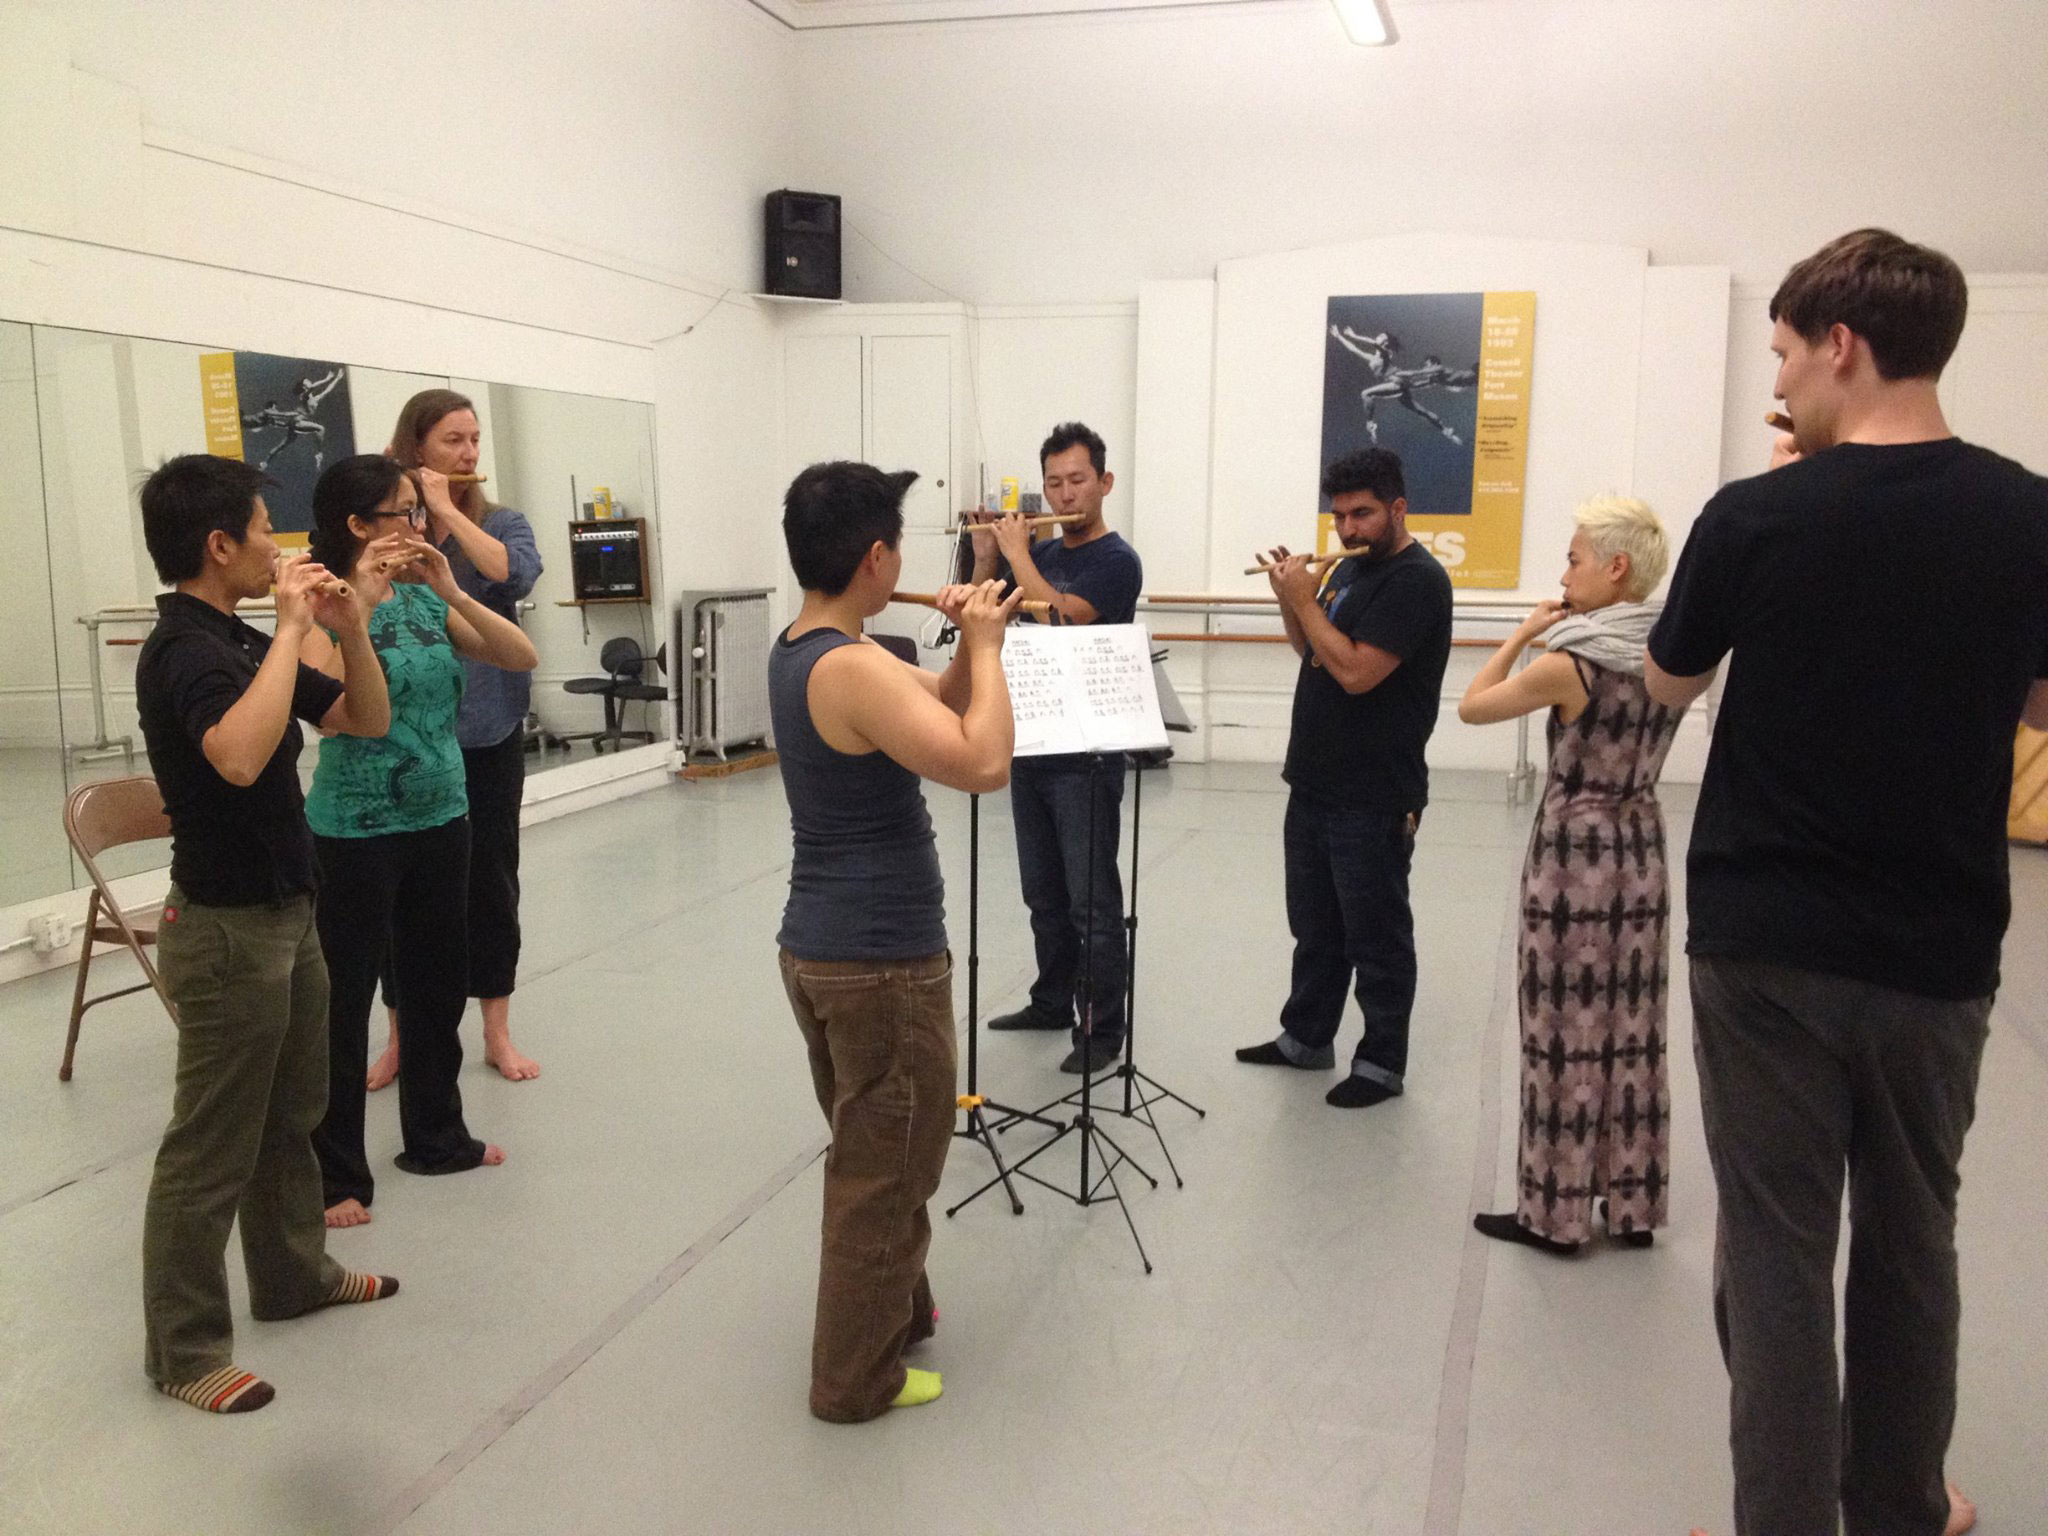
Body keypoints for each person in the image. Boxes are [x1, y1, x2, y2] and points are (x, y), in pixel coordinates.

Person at [1648, 229, 2048, 1536]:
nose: (1778, 381)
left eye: (1781, 355)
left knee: (1773, 1250)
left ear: (1840, 345)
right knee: (1911, 1239)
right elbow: (2040, 704)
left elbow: (1664, 679)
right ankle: (1898, 1507)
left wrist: (1787, 536)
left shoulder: (1755, 515)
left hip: (1763, 945)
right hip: (1937, 950)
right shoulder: (2028, 515)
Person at [134, 454, 399, 1414]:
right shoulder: (185, 650)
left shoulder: (240, 641)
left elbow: (364, 717)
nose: (275, 548)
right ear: (218, 545)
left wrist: (350, 627)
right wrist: (292, 629)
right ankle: (185, 1350)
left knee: (296, 1111)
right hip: (224, 931)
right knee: (211, 1146)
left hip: (290, 910)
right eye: (260, 531)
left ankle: (293, 1276)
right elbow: (240, 760)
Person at [771, 460, 1018, 1422]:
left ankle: (897, 1317)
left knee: (883, 1144)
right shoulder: (852, 668)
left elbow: (940, 702)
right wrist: (989, 648)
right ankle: (854, 1381)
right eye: (901, 547)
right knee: (885, 1171)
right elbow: (982, 761)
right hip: (878, 963)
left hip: (827, 950)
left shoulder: (812, 648)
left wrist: (971, 641)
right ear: (876, 558)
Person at [302, 455, 538, 1228]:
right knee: (344, 1003)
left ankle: (438, 1138)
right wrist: (359, 607)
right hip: (356, 827)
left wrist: (451, 588)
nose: (417, 524)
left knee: (436, 986)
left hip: (443, 815)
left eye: (417, 511)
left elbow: (519, 656)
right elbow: (316, 694)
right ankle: (336, 1174)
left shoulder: (424, 596)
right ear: (356, 525)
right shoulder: (318, 599)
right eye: (403, 512)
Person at [1457, 497, 1678, 1253]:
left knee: (1562, 1034)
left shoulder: (1570, 662)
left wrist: (1524, 633)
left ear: (1616, 568)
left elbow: (1473, 707)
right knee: (1634, 1031)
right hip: (1642, 854)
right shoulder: (1669, 655)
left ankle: (1553, 1213)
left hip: (1573, 863)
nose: (1563, 574)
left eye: (1574, 559)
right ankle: (1632, 1206)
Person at [1235, 447, 1453, 1107]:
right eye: (1339, 517)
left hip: (1375, 792)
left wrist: (1305, 599)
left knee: (1376, 936)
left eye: (1362, 514)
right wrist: (1290, 600)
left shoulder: (1416, 581)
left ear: (1398, 508)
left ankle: (1381, 1064)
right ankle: (1306, 1039)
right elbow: (1313, 648)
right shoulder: (1349, 571)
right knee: (1315, 928)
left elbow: (1357, 672)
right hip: (1315, 780)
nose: (1348, 529)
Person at [366, 388, 544, 1090]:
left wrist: (447, 512)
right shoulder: (387, 528)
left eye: (474, 439)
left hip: (486, 729)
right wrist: (402, 517)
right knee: (399, 891)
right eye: (452, 440)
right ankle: (400, 1037)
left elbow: (513, 573)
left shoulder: (500, 522)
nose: (469, 452)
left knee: (491, 881)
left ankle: (496, 1032)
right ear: (416, 447)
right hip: (406, 736)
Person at [970, 422, 1144, 1075]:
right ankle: (1050, 1001)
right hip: (1032, 741)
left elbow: (1063, 617)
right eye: (1054, 482)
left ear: (1104, 483)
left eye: (1077, 480)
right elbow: (984, 607)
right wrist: (987, 554)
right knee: (1042, 892)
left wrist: (1019, 555)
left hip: (1087, 754)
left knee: (1091, 902)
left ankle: (1102, 1029)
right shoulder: (1038, 551)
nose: (1065, 493)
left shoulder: (1116, 561)